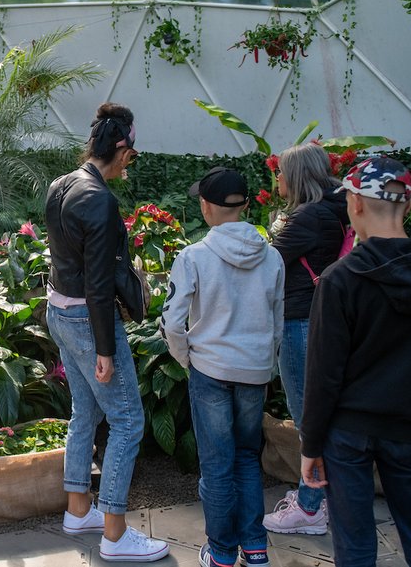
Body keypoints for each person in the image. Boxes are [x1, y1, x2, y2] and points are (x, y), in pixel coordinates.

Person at [300, 157, 411, 567]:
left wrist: (311, 445)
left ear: (354, 203)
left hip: (348, 434)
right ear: (408, 206)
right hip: (410, 429)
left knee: (355, 551)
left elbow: (323, 374)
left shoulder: (340, 280)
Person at [44, 103, 169, 563]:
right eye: (130, 157)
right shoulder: (98, 199)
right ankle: (115, 535)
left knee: (85, 412)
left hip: (59, 311)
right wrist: (105, 348)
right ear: (120, 148)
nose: (129, 166)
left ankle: (80, 510)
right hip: (86, 319)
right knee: (128, 421)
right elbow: (98, 284)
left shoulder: (62, 184)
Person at [160, 167, 284, 567]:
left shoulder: (193, 256)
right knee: (248, 458)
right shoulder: (274, 257)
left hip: (210, 371)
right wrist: (264, 363)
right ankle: (256, 547)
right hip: (254, 372)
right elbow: (277, 322)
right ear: (247, 205)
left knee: (216, 464)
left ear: (206, 207)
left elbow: (171, 321)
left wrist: (188, 358)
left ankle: (222, 553)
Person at [262, 142, 348, 535]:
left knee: (307, 421)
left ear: (296, 176)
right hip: (318, 321)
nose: (277, 177)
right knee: (318, 418)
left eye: (281, 171)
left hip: (299, 323)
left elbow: (266, 264)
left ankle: (311, 508)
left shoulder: (308, 218)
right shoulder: (332, 211)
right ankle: (324, 501)